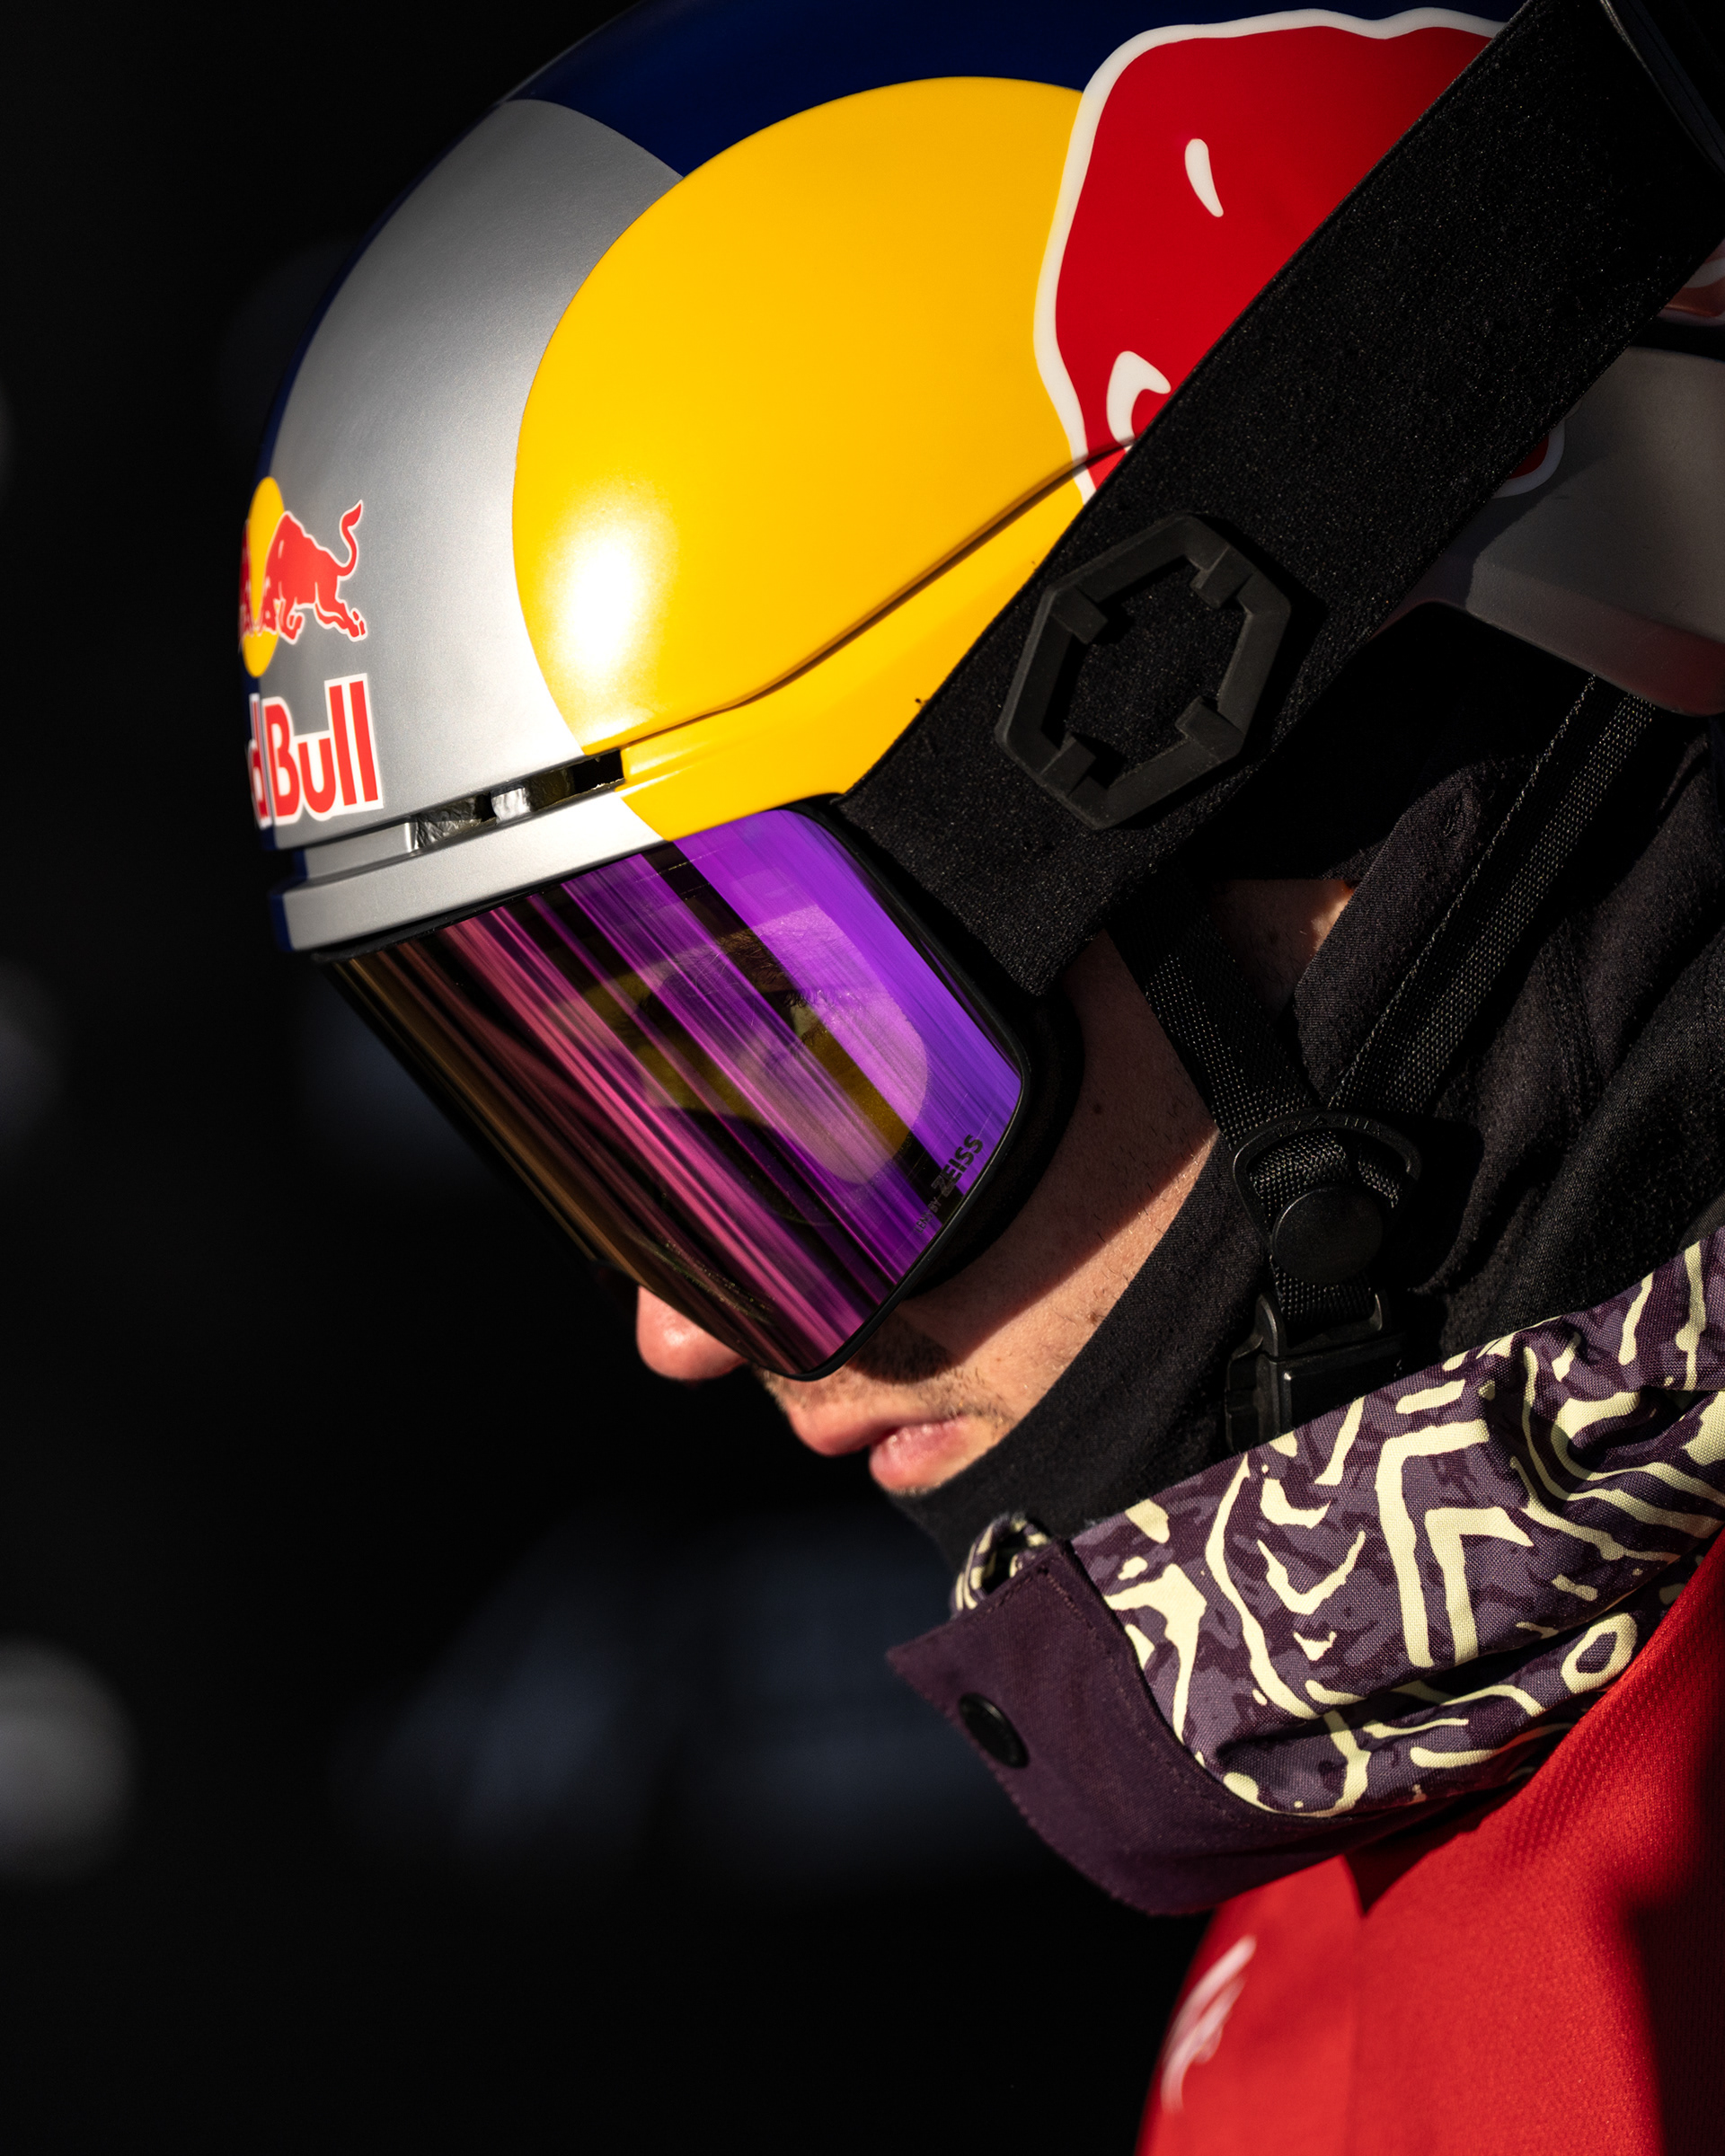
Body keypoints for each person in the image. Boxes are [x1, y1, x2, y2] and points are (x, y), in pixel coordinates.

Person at [237, 0, 1725, 2146]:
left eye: (772, 1052)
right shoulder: (1348, 1871)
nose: (680, 1321)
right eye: (600, 1124)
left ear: (1244, 737)